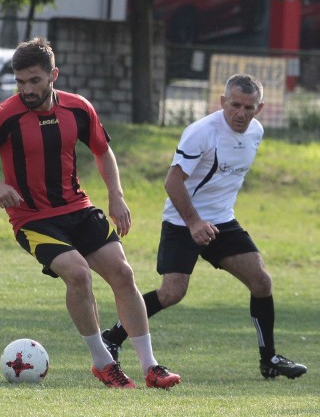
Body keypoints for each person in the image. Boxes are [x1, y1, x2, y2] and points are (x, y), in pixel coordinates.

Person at [0, 37, 180, 389]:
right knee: (78, 273)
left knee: (123, 274)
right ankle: (103, 363)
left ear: (53, 75)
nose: (27, 89)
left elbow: (103, 151)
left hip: (78, 209)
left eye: (34, 80)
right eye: (20, 82)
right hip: (32, 219)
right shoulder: (3, 116)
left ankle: (151, 367)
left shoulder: (78, 108)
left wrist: (116, 195)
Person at [102, 74, 308, 380]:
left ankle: (270, 360)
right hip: (182, 222)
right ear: (222, 102)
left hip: (222, 221)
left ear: (260, 108)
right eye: (235, 105)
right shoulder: (201, 133)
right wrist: (194, 221)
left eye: (249, 107)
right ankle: (112, 337)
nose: (241, 113)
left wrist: (210, 219)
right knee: (172, 292)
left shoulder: (256, 132)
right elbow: (172, 182)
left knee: (261, 281)